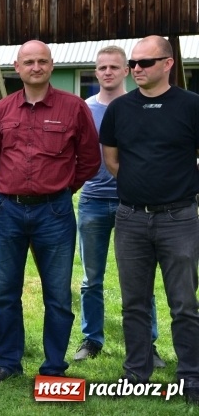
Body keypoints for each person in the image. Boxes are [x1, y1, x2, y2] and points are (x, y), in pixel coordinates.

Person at [0, 40, 100, 384]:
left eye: (42, 61)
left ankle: (54, 368)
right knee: (6, 293)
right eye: (28, 61)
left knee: (58, 296)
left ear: (51, 66)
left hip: (54, 213)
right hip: (10, 211)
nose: (36, 67)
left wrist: (61, 188)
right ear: (17, 67)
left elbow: (90, 159)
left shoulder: (74, 107)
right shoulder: (2, 109)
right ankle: (8, 363)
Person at [100, 35, 199, 402]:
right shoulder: (120, 109)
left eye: (145, 63)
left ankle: (191, 377)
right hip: (130, 219)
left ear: (168, 63)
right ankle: (136, 373)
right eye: (133, 64)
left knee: (184, 304)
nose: (136, 69)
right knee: (134, 303)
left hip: (180, 218)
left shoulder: (191, 106)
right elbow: (112, 160)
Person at [73, 46, 164, 367]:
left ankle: (146, 344)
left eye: (115, 67)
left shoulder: (139, 106)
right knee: (91, 279)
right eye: (102, 68)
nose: (108, 72)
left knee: (140, 280)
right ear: (95, 72)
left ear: (126, 70)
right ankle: (91, 339)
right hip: (93, 202)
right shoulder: (84, 109)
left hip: (135, 204)